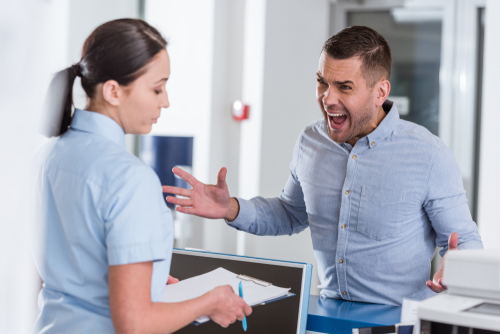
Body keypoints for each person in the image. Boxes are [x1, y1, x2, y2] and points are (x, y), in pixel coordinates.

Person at [164, 26, 484, 306]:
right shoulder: (311, 142)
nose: (327, 99)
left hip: (400, 321)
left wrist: (456, 266)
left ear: (380, 92)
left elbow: (464, 241)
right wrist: (230, 208)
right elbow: (290, 214)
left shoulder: (429, 155)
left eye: (344, 86)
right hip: (328, 316)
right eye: (322, 82)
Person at [32, 19, 251, 334]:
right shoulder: (128, 177)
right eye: (157, 88)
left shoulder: (47, 156)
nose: (166, 101)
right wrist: (210, 302)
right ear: (113, 92)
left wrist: (141, 279)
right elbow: (134, 324)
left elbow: (51, 272)